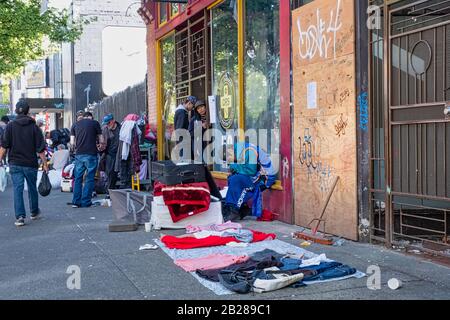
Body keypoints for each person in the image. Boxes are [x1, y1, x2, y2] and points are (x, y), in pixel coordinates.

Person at [0, 99, 48, 227]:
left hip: (15, 163)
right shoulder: (34, 127)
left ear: (16, 111)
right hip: (30, 163)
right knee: (32, 188)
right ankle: (34, 212)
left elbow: (4, 146)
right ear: (28, 111)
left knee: (18, 189)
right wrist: (45, 164)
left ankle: (20, 217)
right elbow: (41, 149)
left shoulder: (10, 126)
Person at [222, 142, 277, 222]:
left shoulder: (249, 150)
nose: (231, 161)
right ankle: (241, 208)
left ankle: (233, 210)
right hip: (257, 176)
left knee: (236, 179)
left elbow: (251, 171)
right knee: (232, 178)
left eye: (230, 159)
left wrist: (234, 166)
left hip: (265, 178)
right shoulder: (240, 150)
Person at [69, 111, 104, 208]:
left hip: (79, 155)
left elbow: (72, 143)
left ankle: (76, 202)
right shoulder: (95, 123)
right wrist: (100, 146)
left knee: (78, 178)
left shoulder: (75, 125)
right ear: (89, 117)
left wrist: (73, 151)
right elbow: (101, 140)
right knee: (89, 178)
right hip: (91, 154)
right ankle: (86, 202)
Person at [100, 113, 121, 191]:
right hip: (109, 154)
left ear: (113, 121)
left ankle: (114, 190)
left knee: (116, 173)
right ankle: (109, 191)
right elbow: (102, 142)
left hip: (119, 154)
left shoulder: (120, 129)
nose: (107, 125)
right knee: (109, 173)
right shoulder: (105, 129)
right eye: (106, 123)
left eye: (108, 123)